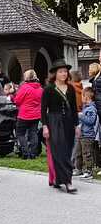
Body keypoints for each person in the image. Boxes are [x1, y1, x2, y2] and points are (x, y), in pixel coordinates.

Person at [41, 59, 79, 193]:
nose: (64, 73)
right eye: (61, 71)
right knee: (59, 151)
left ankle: (58, 179)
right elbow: (43, 110)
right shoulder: (49, 89)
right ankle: (68, 181)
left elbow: (74, 109)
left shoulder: (71, 88)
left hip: (68, 121)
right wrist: (45, 126)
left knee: (67, 150)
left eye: (65, 71)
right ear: (55, 74)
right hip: (54, 121)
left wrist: (76, 125)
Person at [14, 70, 43, 159]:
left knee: (20, 133)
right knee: (33, 133)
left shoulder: (24, 87)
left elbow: (17, 101)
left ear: (26, 77)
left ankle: (25, 152)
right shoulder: (40, 89)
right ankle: (33, 153)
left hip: (24, 114)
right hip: (36, 115)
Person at [75, 87, 98, 179]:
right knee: (78, 153)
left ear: (86, 97)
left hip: (88, 136)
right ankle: (79, 169)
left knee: (87, 153)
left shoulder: (92, 109)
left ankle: (89, 171)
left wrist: (81, 116)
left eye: (82, 96)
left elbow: (91, 121)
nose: (81, 98)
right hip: (82, 135)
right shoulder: (86, 108)